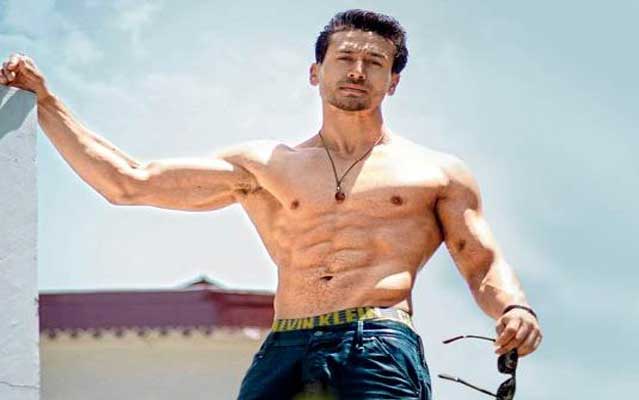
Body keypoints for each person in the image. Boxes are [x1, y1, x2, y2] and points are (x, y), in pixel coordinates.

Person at [1, 9, 542, 400]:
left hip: (378, 340)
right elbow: (128, 182)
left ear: (393, 81)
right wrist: (48, 103)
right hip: (286, 342)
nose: (357, 70)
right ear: (315, 72)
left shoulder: (435, 173)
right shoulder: (264, 167)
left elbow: (480, 262)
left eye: (374, 62)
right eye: (345, 58)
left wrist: (514, 309)